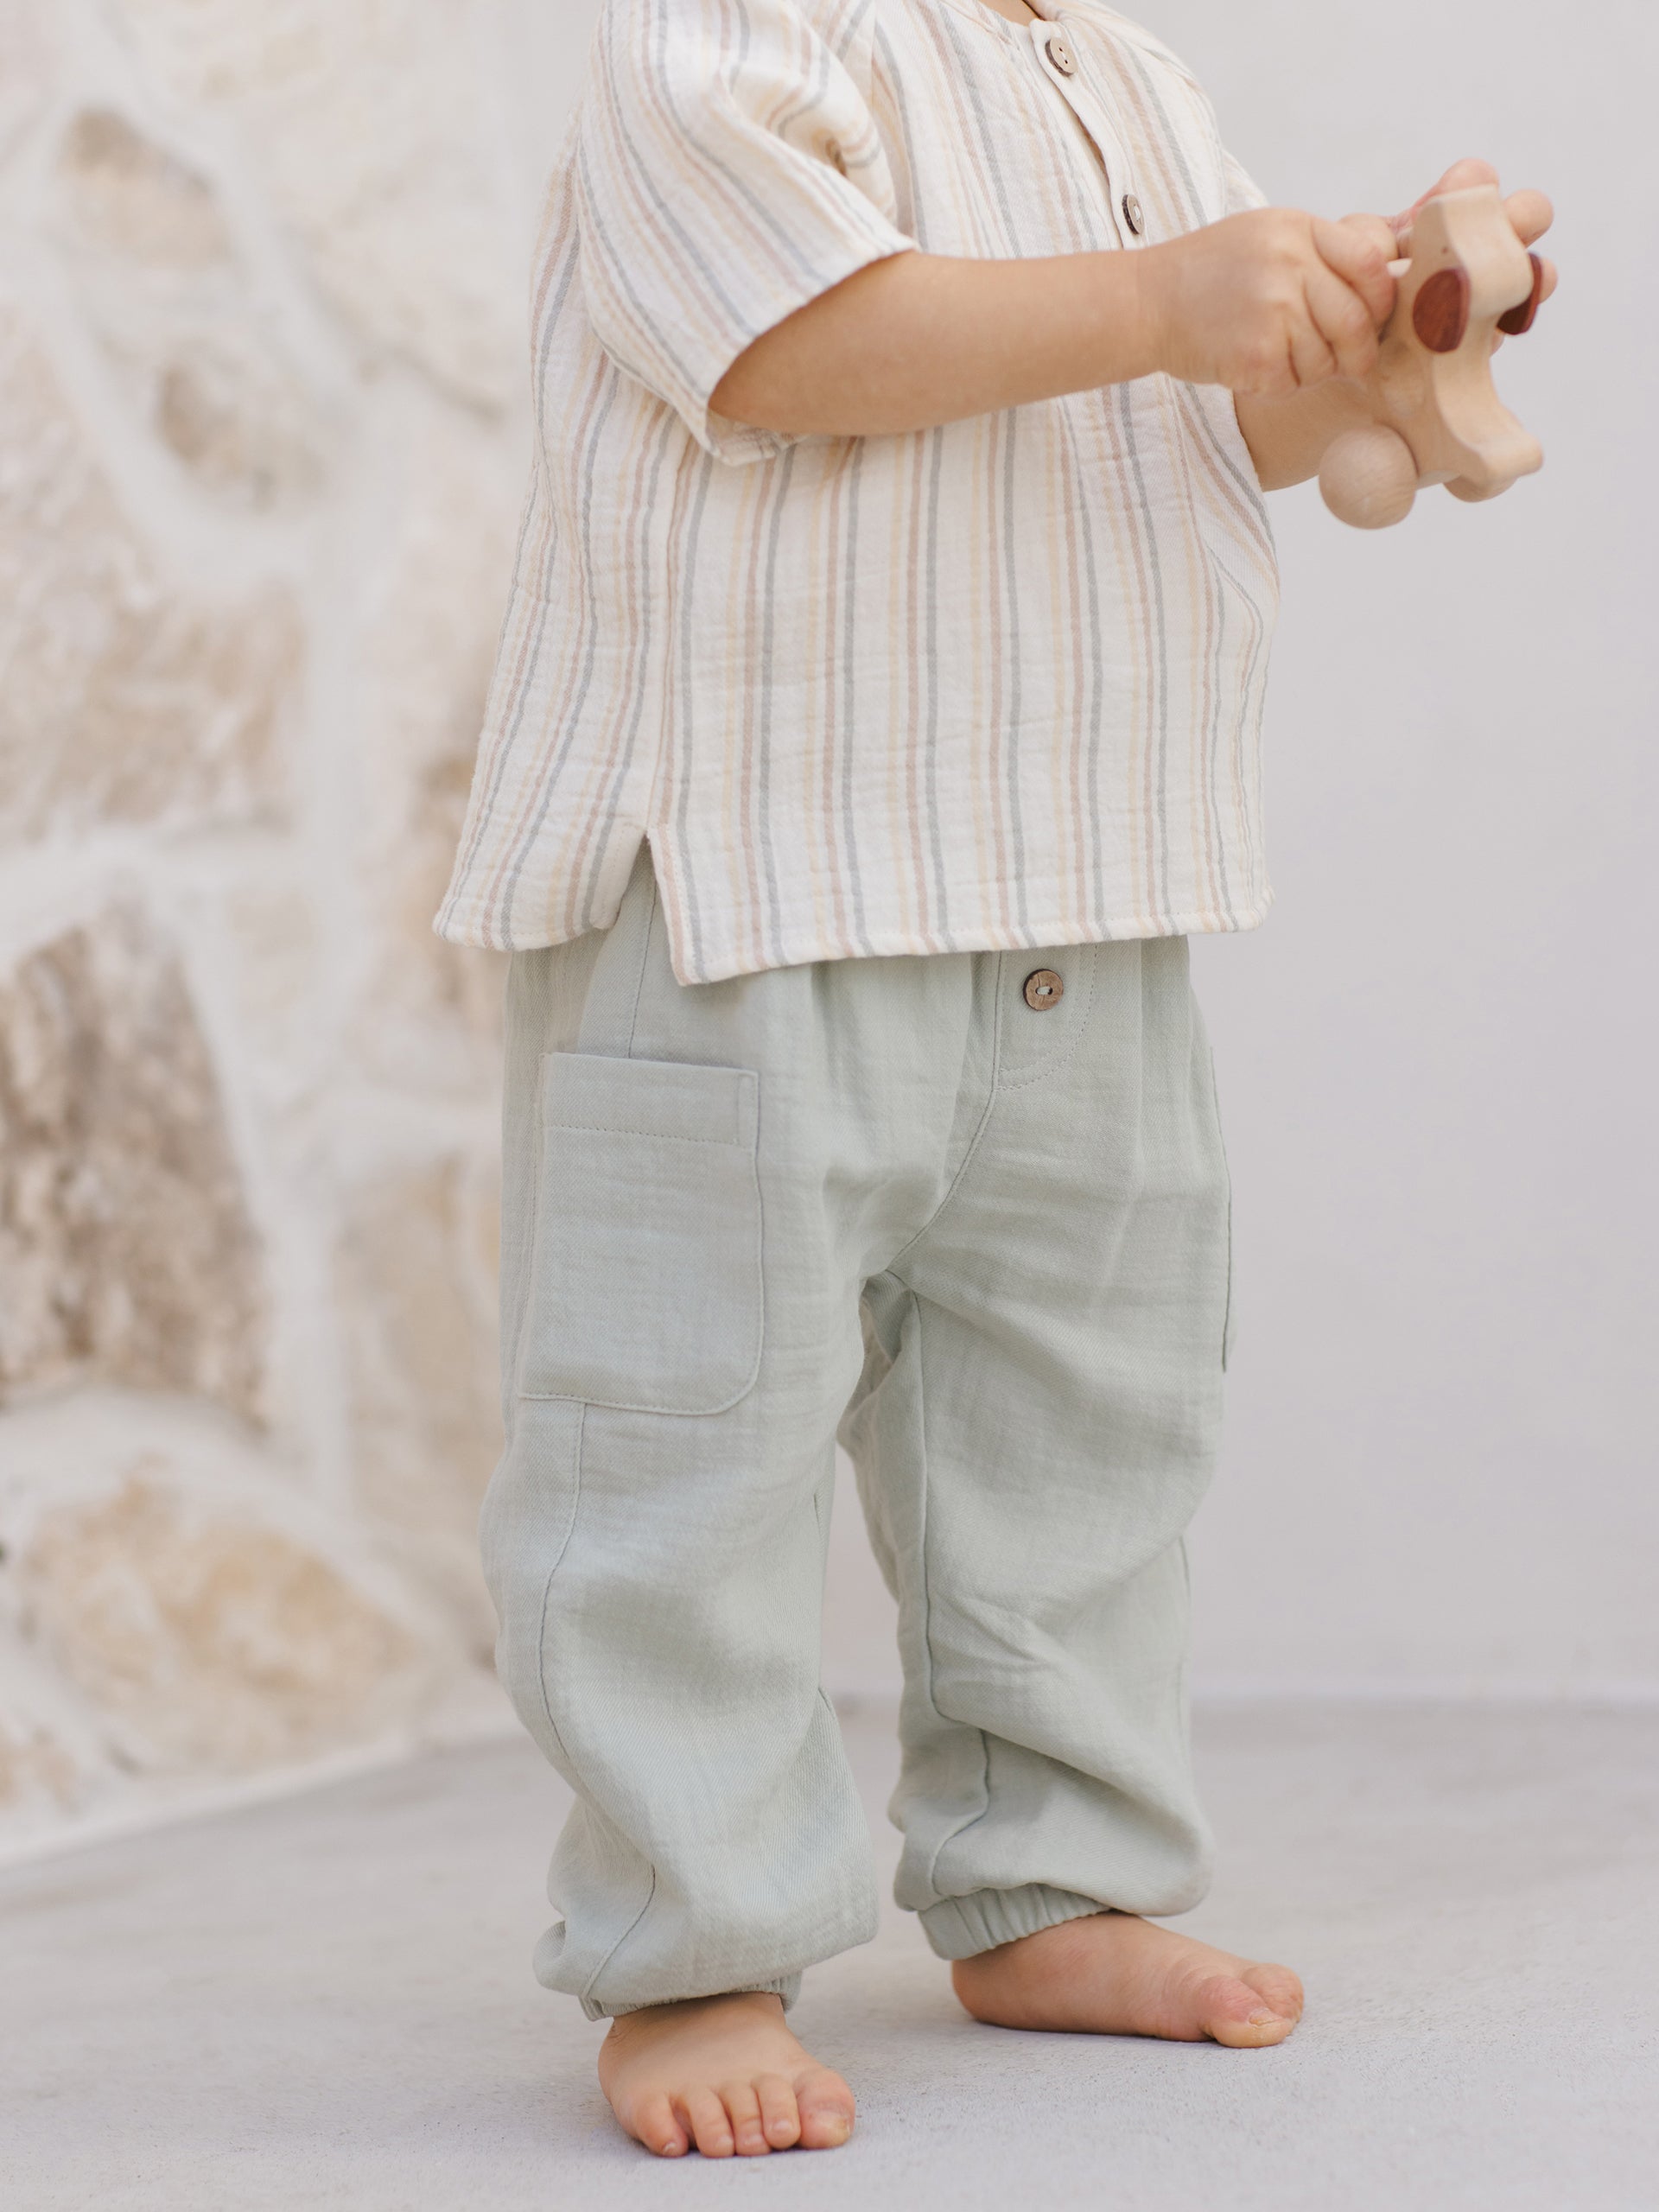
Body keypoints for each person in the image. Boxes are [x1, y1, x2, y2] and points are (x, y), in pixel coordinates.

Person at [435, 0, 1554, 2160]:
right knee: (683, 1441)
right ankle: (689, 1945)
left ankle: (1052, 1869)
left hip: (1076, 866)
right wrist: (1160, 295)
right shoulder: (719, 45)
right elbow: (786, 346)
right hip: (747, 876)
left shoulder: (1125, 77)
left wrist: (1354, 329)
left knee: (1083, 1423)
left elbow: (1154, 423)